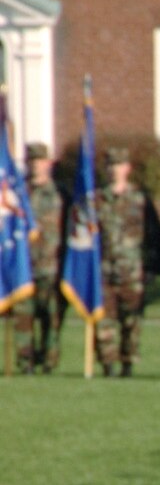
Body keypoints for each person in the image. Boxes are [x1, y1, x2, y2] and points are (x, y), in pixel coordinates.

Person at [94, 145, 155, 378]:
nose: (114, 170)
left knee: (132, 321)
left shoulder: (140, 199)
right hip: (104, 270)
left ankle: (128, 363)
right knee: (105, 322)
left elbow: (152, 235)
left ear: (127, 168)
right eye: (110, 165)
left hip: (132, 270)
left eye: (119, 165)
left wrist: (149, 267)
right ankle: (108, 365)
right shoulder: (96, 201)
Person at [17, 141, 64, 373]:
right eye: (32, 161)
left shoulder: (59, 193)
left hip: (51, 265)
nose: (36, 166)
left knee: (51, 317)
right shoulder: (16, 194)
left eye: (40, 161)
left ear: (49, 163)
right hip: (23, 266)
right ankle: (25, 361)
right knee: (23, 318)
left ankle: (48, 360)